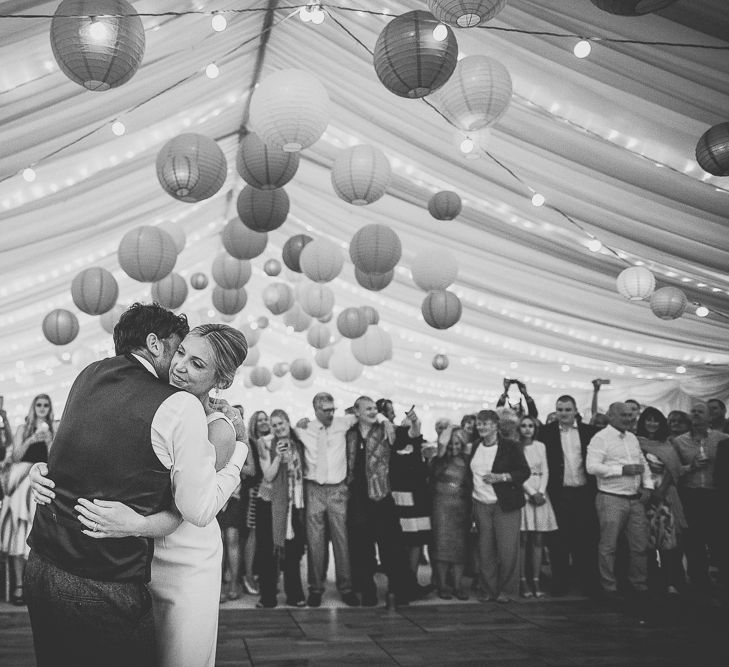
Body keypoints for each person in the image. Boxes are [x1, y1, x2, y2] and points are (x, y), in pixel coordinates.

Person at [25, 305, 248, 667]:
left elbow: (195, 509)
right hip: (132, 559)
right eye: (181, 352)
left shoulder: (213, 422)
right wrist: (44, 470)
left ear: (220, 381)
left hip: (180, 553)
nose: (180, 365)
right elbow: (91, 448)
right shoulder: (161, 399)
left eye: (196, 364)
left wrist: (240, 449)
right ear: (157, 347)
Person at [346, 396, 415, 607]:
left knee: (392, 548)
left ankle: (399, 591)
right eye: (367, 408)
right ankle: (367, 592)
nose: (372, 411)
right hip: (357, 499)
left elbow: (408, 437)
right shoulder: (349, 433)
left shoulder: (386, 429)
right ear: (357, 412)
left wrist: (413, 423)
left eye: (374, 408)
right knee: (361, 550)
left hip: (382, 497)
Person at [295, 393, 359, 608]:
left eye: (333, 409)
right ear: (315, 409)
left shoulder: (344, 422)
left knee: (342, 540)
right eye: (326, 410)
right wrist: (297, 424)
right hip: (313, 489)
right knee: (314, 542)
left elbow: (367, 414)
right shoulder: (304, 428)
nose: (331, 413)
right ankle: (315, 588)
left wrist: (386, 421)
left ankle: (346, 587)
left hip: (338, 490)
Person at [586, 402, 654, 599]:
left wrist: (648, 486)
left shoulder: (632, 437)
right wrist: (621, 470)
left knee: (640, 545)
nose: (629, 418)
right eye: (624, 415)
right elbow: (592, 467)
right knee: (609, 546)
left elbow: (643, 464)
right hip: (611, 498)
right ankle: (609, 587)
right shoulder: (601, 438)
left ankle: (639, 585)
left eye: (631, 415)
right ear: (611, 416)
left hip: (635, 499)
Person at [539, 395, 599, 597]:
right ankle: (560, 583)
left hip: (584, 492)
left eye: (567, 409)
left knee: (586, 540)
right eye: (560, 410)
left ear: (575, 411)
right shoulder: (545, 433)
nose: (563, 413)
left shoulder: (590, 433)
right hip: (559, 492)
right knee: (558, 541)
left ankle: (588, 583)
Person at [470, 409, 530, 602]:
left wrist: (501, 477)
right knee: (485, 549)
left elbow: (523, 472)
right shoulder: (476, 446)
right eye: (479, 423)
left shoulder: (511, 446)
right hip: (481, 504)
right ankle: (488, 590)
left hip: (505, 504)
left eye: (485, 423)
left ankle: (508, 591)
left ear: (496, 425)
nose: (481, 426)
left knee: (507, 550)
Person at [0, 394, 55, 605]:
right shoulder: (24, 428)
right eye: (39, 404)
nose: (42, 408)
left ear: (49, 408)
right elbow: (15, 457)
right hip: (22, 481)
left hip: (43, 479)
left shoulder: (55, 428)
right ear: (34, 407)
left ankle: (42, 586)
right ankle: (19, 587)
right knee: (19, 529)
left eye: (46, 405)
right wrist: (31, 439)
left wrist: (49, 439)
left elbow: (54, 458)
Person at [254, 409, 306, 608]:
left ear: (287, 421)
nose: (278, 428)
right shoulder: (265, 443)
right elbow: (268, 476)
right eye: (274, 425)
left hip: (293, 503)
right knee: (268, 551)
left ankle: (295, 594)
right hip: (269, 503)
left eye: (281, 423)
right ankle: (268, 597)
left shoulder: (298, 443)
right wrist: (278, 457)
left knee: (293, 551)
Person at [378, 399, 432, 590]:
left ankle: (412, 582)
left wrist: (415, 422)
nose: (394, 416)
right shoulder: (384, 436)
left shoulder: (411, 437)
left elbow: (414, 432)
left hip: (417, 495)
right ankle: (402, 582)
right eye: (389, 412)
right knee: (400, 540)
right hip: (397, 496)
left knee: (416, 540)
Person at [672, 400, 724, 594]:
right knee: (693, 540)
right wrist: (691, 467)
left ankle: (721, 580)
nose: (696, 415)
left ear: (709, 416)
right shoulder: (679, 441)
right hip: (690, 495)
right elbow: (674, 471)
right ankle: (699, 583)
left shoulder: (721, 439)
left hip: (714, 495)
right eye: (693, 411)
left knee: (717, 538)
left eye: (700, 412)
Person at [635, 407, 687, 594]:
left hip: (666, 498)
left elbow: (674, 470)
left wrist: (662, 489)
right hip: (643, 496)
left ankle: (669, 581)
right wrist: (646, 491)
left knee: (667, 540)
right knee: (644, 540)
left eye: (656, 420)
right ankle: (649, 580)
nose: (652, 424)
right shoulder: (635, 442)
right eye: (648, 420)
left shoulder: (668, 444)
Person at [217, 404, 256, 603]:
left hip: (235, 495)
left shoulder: (243, 441)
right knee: (218, 541)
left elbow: (252, 470)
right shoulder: (217, 434)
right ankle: (219, 587)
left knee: (232, 538)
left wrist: (233, 465)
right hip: (217, 494)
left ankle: (234, 583)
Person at [517, 415, 558, 598]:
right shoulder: (516, 447)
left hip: (540, 491)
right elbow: (517, 472)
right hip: (524, 491)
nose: (527, 429)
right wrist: (530, 492)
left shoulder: (541, 446)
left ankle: (536, 579)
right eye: (524, 426)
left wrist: (540, 491)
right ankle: (522, 579)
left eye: (531, 426)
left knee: (538, 539)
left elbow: (546, 470)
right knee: (523, 539)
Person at [431, 426, 471, 600]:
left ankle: (457, 585)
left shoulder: (467, 460)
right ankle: (442, 585)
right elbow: (440, 445)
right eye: (450, 444)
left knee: (460, 548)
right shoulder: (438, 460)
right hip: (441, 507)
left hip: (461, 507)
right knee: (441, 546)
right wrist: (451, 428)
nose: (453, 447)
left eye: (457, 443)